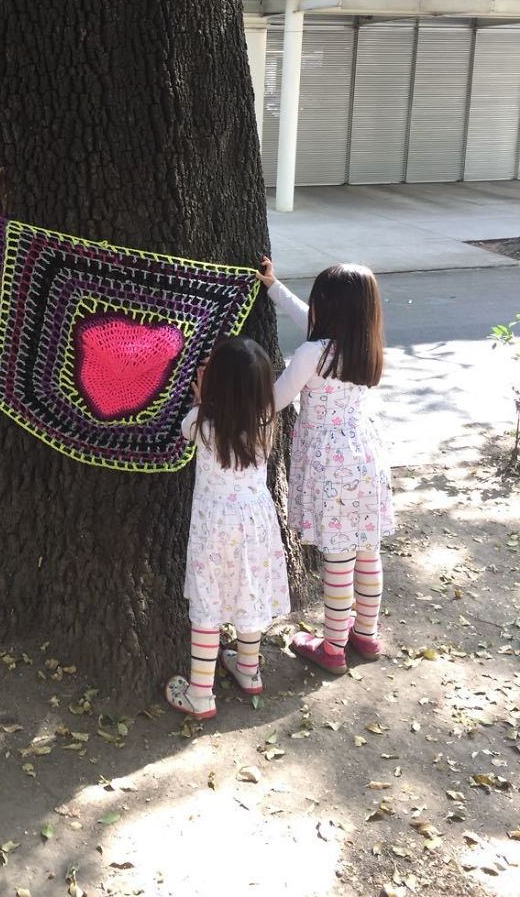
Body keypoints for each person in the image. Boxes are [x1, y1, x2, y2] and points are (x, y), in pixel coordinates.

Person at [259, 256, 393, 675]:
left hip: (328, 467)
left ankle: (332, 645)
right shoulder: (364, 347)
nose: (311, 307)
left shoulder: (311, 354)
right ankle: (365, 635)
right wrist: (274, 287)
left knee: (337, 558)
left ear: (328, 308)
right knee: (367, 551)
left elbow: (274, 402)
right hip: (366, 459)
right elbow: (311, 323)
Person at [165, 337, 291, 719]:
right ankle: (249, 670)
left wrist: (203, 399)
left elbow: (188, 426)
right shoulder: (268, 422)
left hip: (213, 528)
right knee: (248, 591)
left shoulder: (202, 424)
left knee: (208, 602)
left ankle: (200, 693)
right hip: (256, 523)